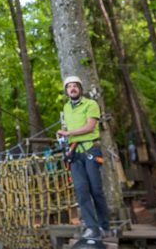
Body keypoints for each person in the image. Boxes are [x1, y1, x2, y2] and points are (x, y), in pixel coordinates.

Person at [56, 75, 110, 240]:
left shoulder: (91, 104)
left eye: (75, 86)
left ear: (80, 88)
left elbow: (90, 126)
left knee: (96, 190)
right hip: (74, 153)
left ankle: (104, 226)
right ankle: (92, 227)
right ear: (66, 91)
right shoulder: (66, 108)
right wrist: (63, 138)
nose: (72, 89)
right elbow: (67, 128)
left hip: (90, 150)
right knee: (81, 190)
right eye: (69, 87)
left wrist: (69, 133)